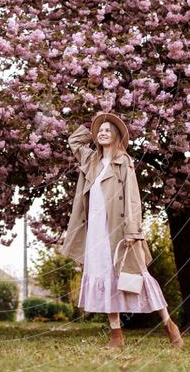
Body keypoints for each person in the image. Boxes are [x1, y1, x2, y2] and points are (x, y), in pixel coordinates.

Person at [60, 111, 183, 349]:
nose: (103, 133)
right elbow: (74, 142)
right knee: (105, 278)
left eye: (108, 130)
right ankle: (116, 334)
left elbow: (132, 197)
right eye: (100, 131)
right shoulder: (91, 160)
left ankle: (169, 324)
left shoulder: (123, 161)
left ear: (116, 136)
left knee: (140, 277)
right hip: (95, 230)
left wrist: (132, 230)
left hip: (119, 230)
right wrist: (92, 124)